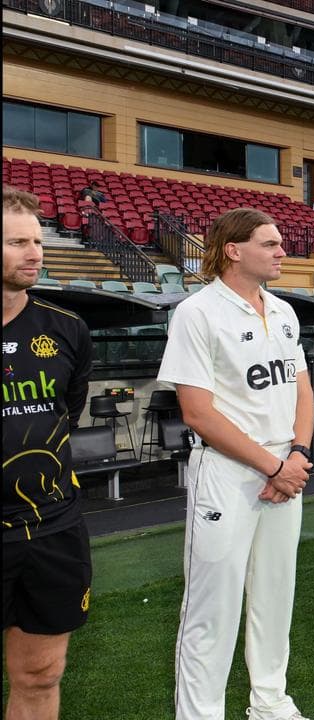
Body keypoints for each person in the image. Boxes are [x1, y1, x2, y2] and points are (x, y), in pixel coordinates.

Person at [159, 208, 314, 720]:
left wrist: (297, 455)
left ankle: (270, 702)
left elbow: (302, 390)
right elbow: (197, 413)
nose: (282, 252)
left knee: (275, 595)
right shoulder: (197, 312)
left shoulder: (284, 310)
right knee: (213, 606)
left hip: (286, 468)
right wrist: (273, 466)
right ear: (233, 250)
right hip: (228, 472)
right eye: (270, 244)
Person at [3, 185, 93, 720]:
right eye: (17, 242)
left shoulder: (68, 329)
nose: (35, 253)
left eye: (37, 241)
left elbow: (66, 413)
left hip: (50, 527)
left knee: (40, 673)